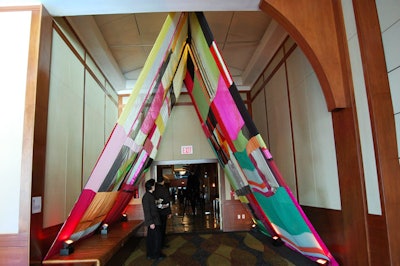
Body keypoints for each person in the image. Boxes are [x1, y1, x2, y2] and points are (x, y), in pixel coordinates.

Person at [142, 179, 165, 260]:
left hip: (154, 220)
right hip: (153, 221)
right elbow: (147, 211)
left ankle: (150, 254)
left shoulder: (150, 196)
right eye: (154, 185)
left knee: (152, 238)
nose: (155, 187)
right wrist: (151, 222)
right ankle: (156, 254)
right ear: (151, 186)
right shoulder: (146, 197)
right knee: (156, 239)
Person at [154, 175, 172, 248]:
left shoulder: (154, 189)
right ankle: (162, 243)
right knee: (162, 228)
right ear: (163, 182)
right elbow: (167, 201)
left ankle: (157, 243)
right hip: (163, 211)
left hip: (156, 211)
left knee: (157, 228)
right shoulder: (164, 189)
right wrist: (169, 212)